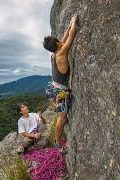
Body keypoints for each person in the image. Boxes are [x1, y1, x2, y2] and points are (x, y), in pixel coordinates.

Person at [43, 14, 79, 153]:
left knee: (61, 115)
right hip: (60, 92)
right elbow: (71, 35)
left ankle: (57, 140)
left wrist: (69, 23)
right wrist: (74, 21)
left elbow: (64, 37)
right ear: (57, 43)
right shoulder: (62, 52)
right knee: (62, 117)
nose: (61, 41)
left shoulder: (54, 54)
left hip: (54, 88)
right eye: (59, 41)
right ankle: (57, 143)